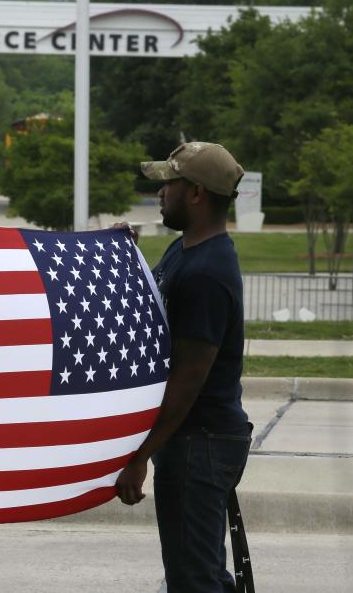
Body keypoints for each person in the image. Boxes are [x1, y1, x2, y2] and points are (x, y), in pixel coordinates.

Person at [115, 142, 253, 592]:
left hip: (201, 443)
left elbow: (188, 379)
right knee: (203, 574)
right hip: (195, 440)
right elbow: (153, 304)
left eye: (168, 183)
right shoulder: (185, 251)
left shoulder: (207, 273)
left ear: (195, 193)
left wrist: (139, 457)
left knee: (193, 581)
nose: (159, 192)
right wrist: (122, 255)